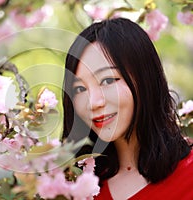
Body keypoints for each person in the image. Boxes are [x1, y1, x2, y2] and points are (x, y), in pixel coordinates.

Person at [62, 17, 193, 199]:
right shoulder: (73, 186)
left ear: (145, 79)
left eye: (108, 81)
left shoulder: (188, 175)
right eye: (80, 89)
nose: (93, 102)